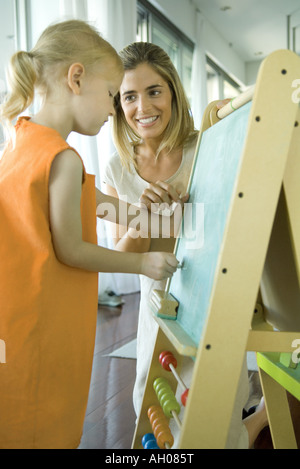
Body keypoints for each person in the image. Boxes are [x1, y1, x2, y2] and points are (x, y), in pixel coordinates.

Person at [0, 21, 182, 450]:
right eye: (111, 94)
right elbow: (72, 248)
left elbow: (97, 201)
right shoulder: (61, 158)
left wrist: (162, 221)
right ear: (76, 78)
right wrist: (142, 262)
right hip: (41, 323)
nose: (114, 109)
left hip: (15, 319)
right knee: (42, 426)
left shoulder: (24, 142)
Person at [104, 42, 268, 449]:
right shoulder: (116, 167)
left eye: (154, 91)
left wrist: (239, 120)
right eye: (129, 96)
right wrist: (146, 217)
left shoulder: (207, 147)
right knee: (150, 400)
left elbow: (225, 230)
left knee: (218, 419)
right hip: (158, 302)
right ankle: (261, 417)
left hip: (211, 297)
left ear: (173, 92)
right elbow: (122, 258)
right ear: (118, 103)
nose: (143, 106)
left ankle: (260, 417)